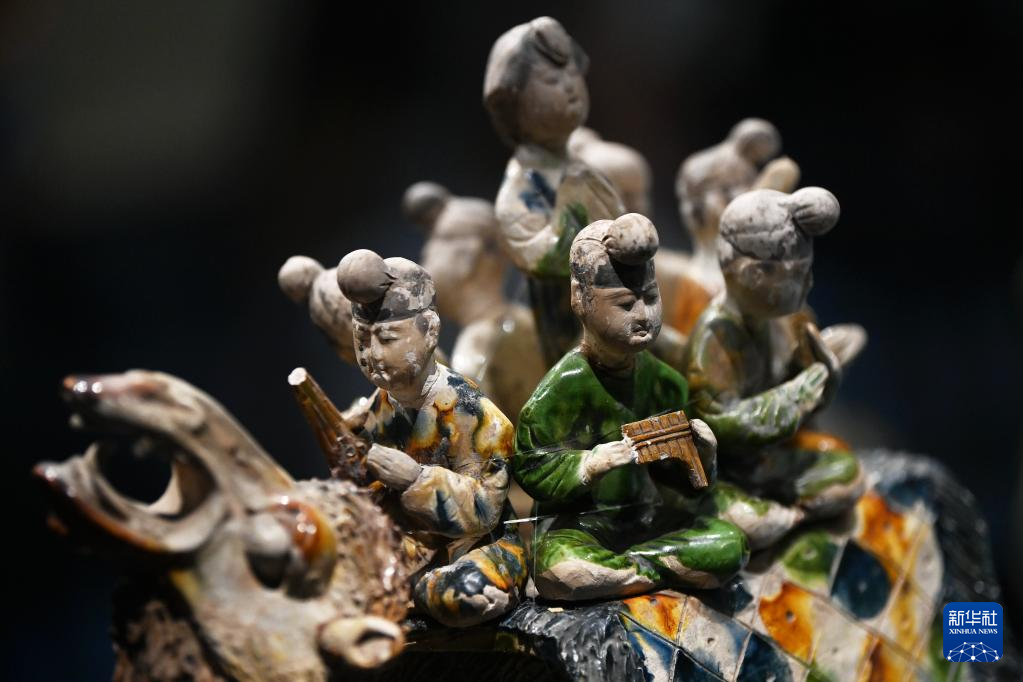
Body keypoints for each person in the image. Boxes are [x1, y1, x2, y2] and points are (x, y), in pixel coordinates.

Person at [513, 214, 749, 600]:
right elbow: (530, 464)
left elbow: (680, 487)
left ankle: (633, 569)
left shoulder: (665, 382)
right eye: (625, 303)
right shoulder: (561, 387)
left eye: (651, 298)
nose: (643, 315)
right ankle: (659, 570)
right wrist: (590, 464)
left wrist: (702, 457)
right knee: (560, 567)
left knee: (730, 544)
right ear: (580, 300)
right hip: (579, 527)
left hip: (645, 517)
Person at [333, 249, 527, 627]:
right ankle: (412, 592)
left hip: (475, 549)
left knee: (466, 591)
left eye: (387, 338)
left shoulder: (470, 410)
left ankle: (421, 595)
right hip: (406, 550)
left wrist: (416, 479)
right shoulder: (374, 412)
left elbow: (485, 508)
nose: (372, 354)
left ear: (430, 332)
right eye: (362, 340)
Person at [683, 188, 865, 520]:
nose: (809, 283)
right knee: (843, 477)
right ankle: (776, 520)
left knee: (843, 467)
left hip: (761, 458)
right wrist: (798, 393)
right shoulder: (716, 334)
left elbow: (769, 391)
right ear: (753, 275)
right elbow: (719, 422)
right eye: (798, 274)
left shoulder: (766, 322)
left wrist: (811, 367)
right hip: (727, 473)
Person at [484, 16, 624, 366]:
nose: (570, 87)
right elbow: (535, 254)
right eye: (551, 80)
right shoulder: (524, 185)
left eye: (572, 73)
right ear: (512, 102)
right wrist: (572, 210)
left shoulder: (581, 167)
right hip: (568, 329)